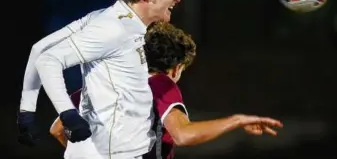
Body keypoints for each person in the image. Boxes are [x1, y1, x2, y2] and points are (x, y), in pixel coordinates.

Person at [17, 0, 192, 159]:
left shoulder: (114, 20)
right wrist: (68, 114)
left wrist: (26, 112)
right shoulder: (114, 29)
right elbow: (48, 59)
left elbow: (39, 48)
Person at [50, 22, 283, 159]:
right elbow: (183, 134)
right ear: (176, 68)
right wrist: (236, 120)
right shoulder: (160, 84)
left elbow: (57, 129)